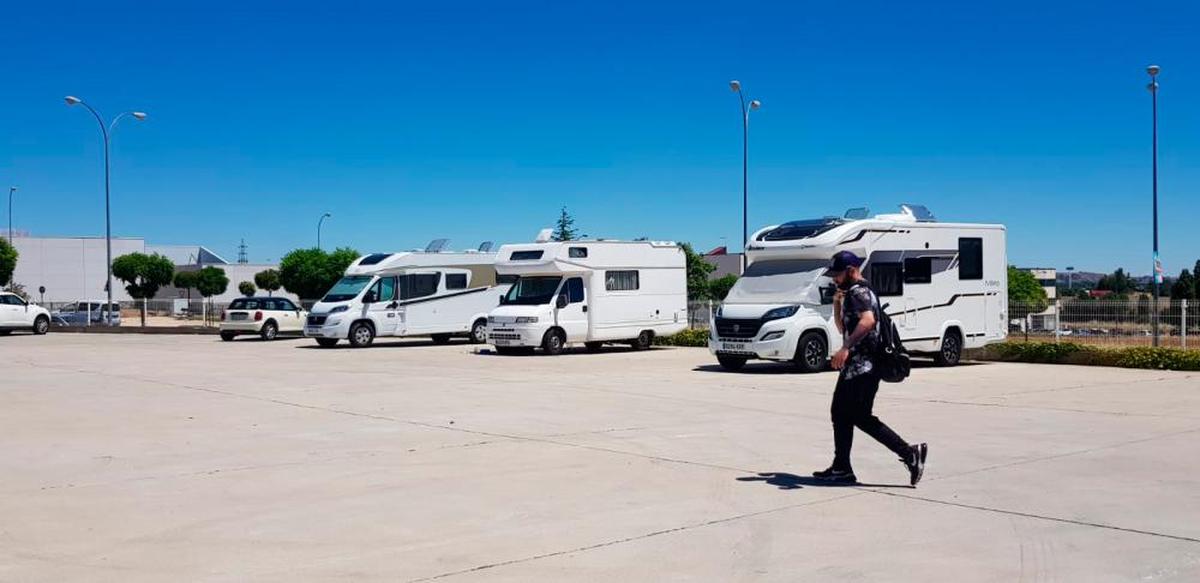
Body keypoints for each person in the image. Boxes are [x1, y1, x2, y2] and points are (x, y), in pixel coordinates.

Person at [812, 251, 928, 486]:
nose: (835, 278)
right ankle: (842, 466)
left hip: (863, 367)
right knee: (842, 414)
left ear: (851, 270)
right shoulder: (856, 292)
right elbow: (842, 326)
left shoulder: (860, 292)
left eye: (838, 274)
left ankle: (909, 453)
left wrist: (845, 348)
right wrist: (837, 303)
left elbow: (868, 321)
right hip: (857, 367)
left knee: (858, 417)